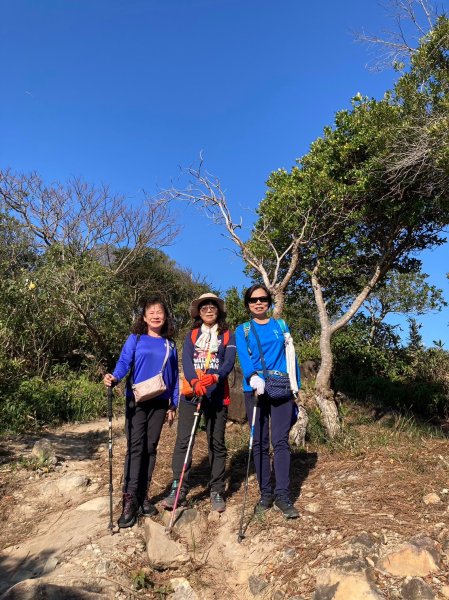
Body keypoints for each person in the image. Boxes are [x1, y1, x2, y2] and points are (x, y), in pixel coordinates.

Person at [103, 296, 179, 528]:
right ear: (144, 317)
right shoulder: (135, 339)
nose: (156, 315)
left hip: (159, 402)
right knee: (135, 448)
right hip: (136, 400)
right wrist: (114, 377)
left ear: (165, 317)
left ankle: (143, 497)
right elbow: (124, 362)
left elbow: (175, 378)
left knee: (150, 448)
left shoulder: (170, 344)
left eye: (160, 312)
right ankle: (130, 499)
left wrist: (173, 404)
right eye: (151, 312)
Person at [162, 293, 236, 513]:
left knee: (217, 443)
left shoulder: (227, 336)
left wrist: (214, 377)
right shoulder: (192, 335)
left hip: (217, 395)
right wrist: (194, 381)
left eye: (213, 307)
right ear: (199, 312)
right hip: (191, 394)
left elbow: (228, 362)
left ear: (218, 311)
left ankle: (216, 489)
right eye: (204, 308)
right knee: (184, 441)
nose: (209, 310)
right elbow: (186, 360)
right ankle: (179, 487)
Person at [235, 284, 300, 519]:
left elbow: (291, 358)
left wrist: (296, 388)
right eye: (253, 300)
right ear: (248, 304)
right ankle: (266, 493)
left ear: (269, 302)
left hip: (281, 388)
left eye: (263, 299)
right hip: (254, 390)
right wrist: (252, 376)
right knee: (260, 443)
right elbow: (243, 356)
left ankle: (283, 494)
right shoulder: (242, 330)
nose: (259, 303)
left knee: (280, 441)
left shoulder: (280, 326)